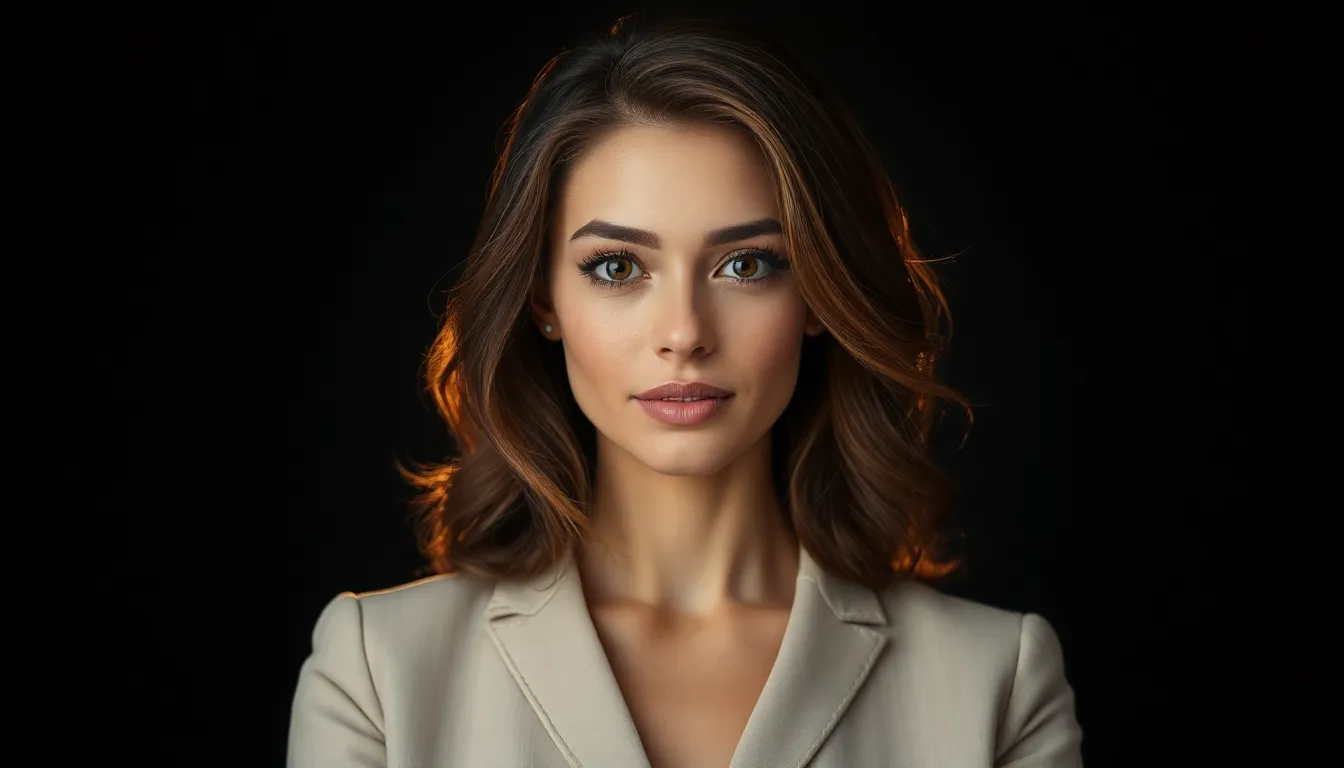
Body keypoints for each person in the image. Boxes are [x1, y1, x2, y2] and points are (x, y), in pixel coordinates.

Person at [288, 12, 1083, 768]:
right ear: (543, 301)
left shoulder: (995, 683)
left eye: (746, 264)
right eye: (617, 267)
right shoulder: (379, 675)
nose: (684, 331)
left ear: (817, 293)